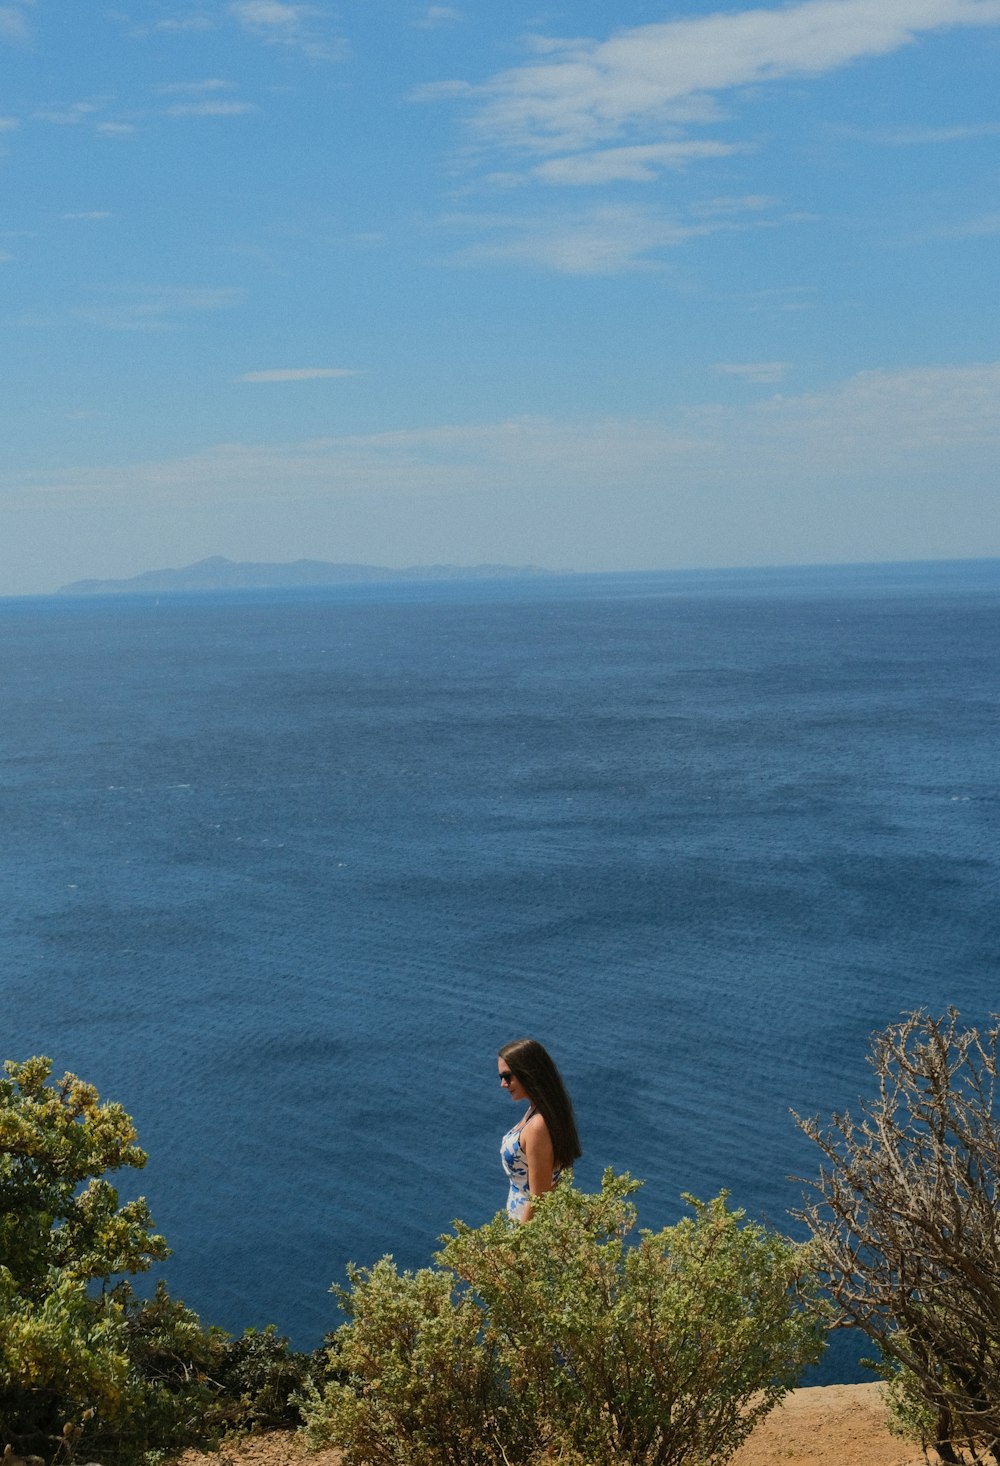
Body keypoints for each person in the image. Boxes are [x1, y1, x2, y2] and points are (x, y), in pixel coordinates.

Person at [498, 1037, 581, 1222]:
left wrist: (518, 1246)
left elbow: (539, 1198)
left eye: (507, 1076)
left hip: (527, 1229)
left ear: (527, 1073)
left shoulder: (537, 1126)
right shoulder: (540, 1111)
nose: (503, 1084)